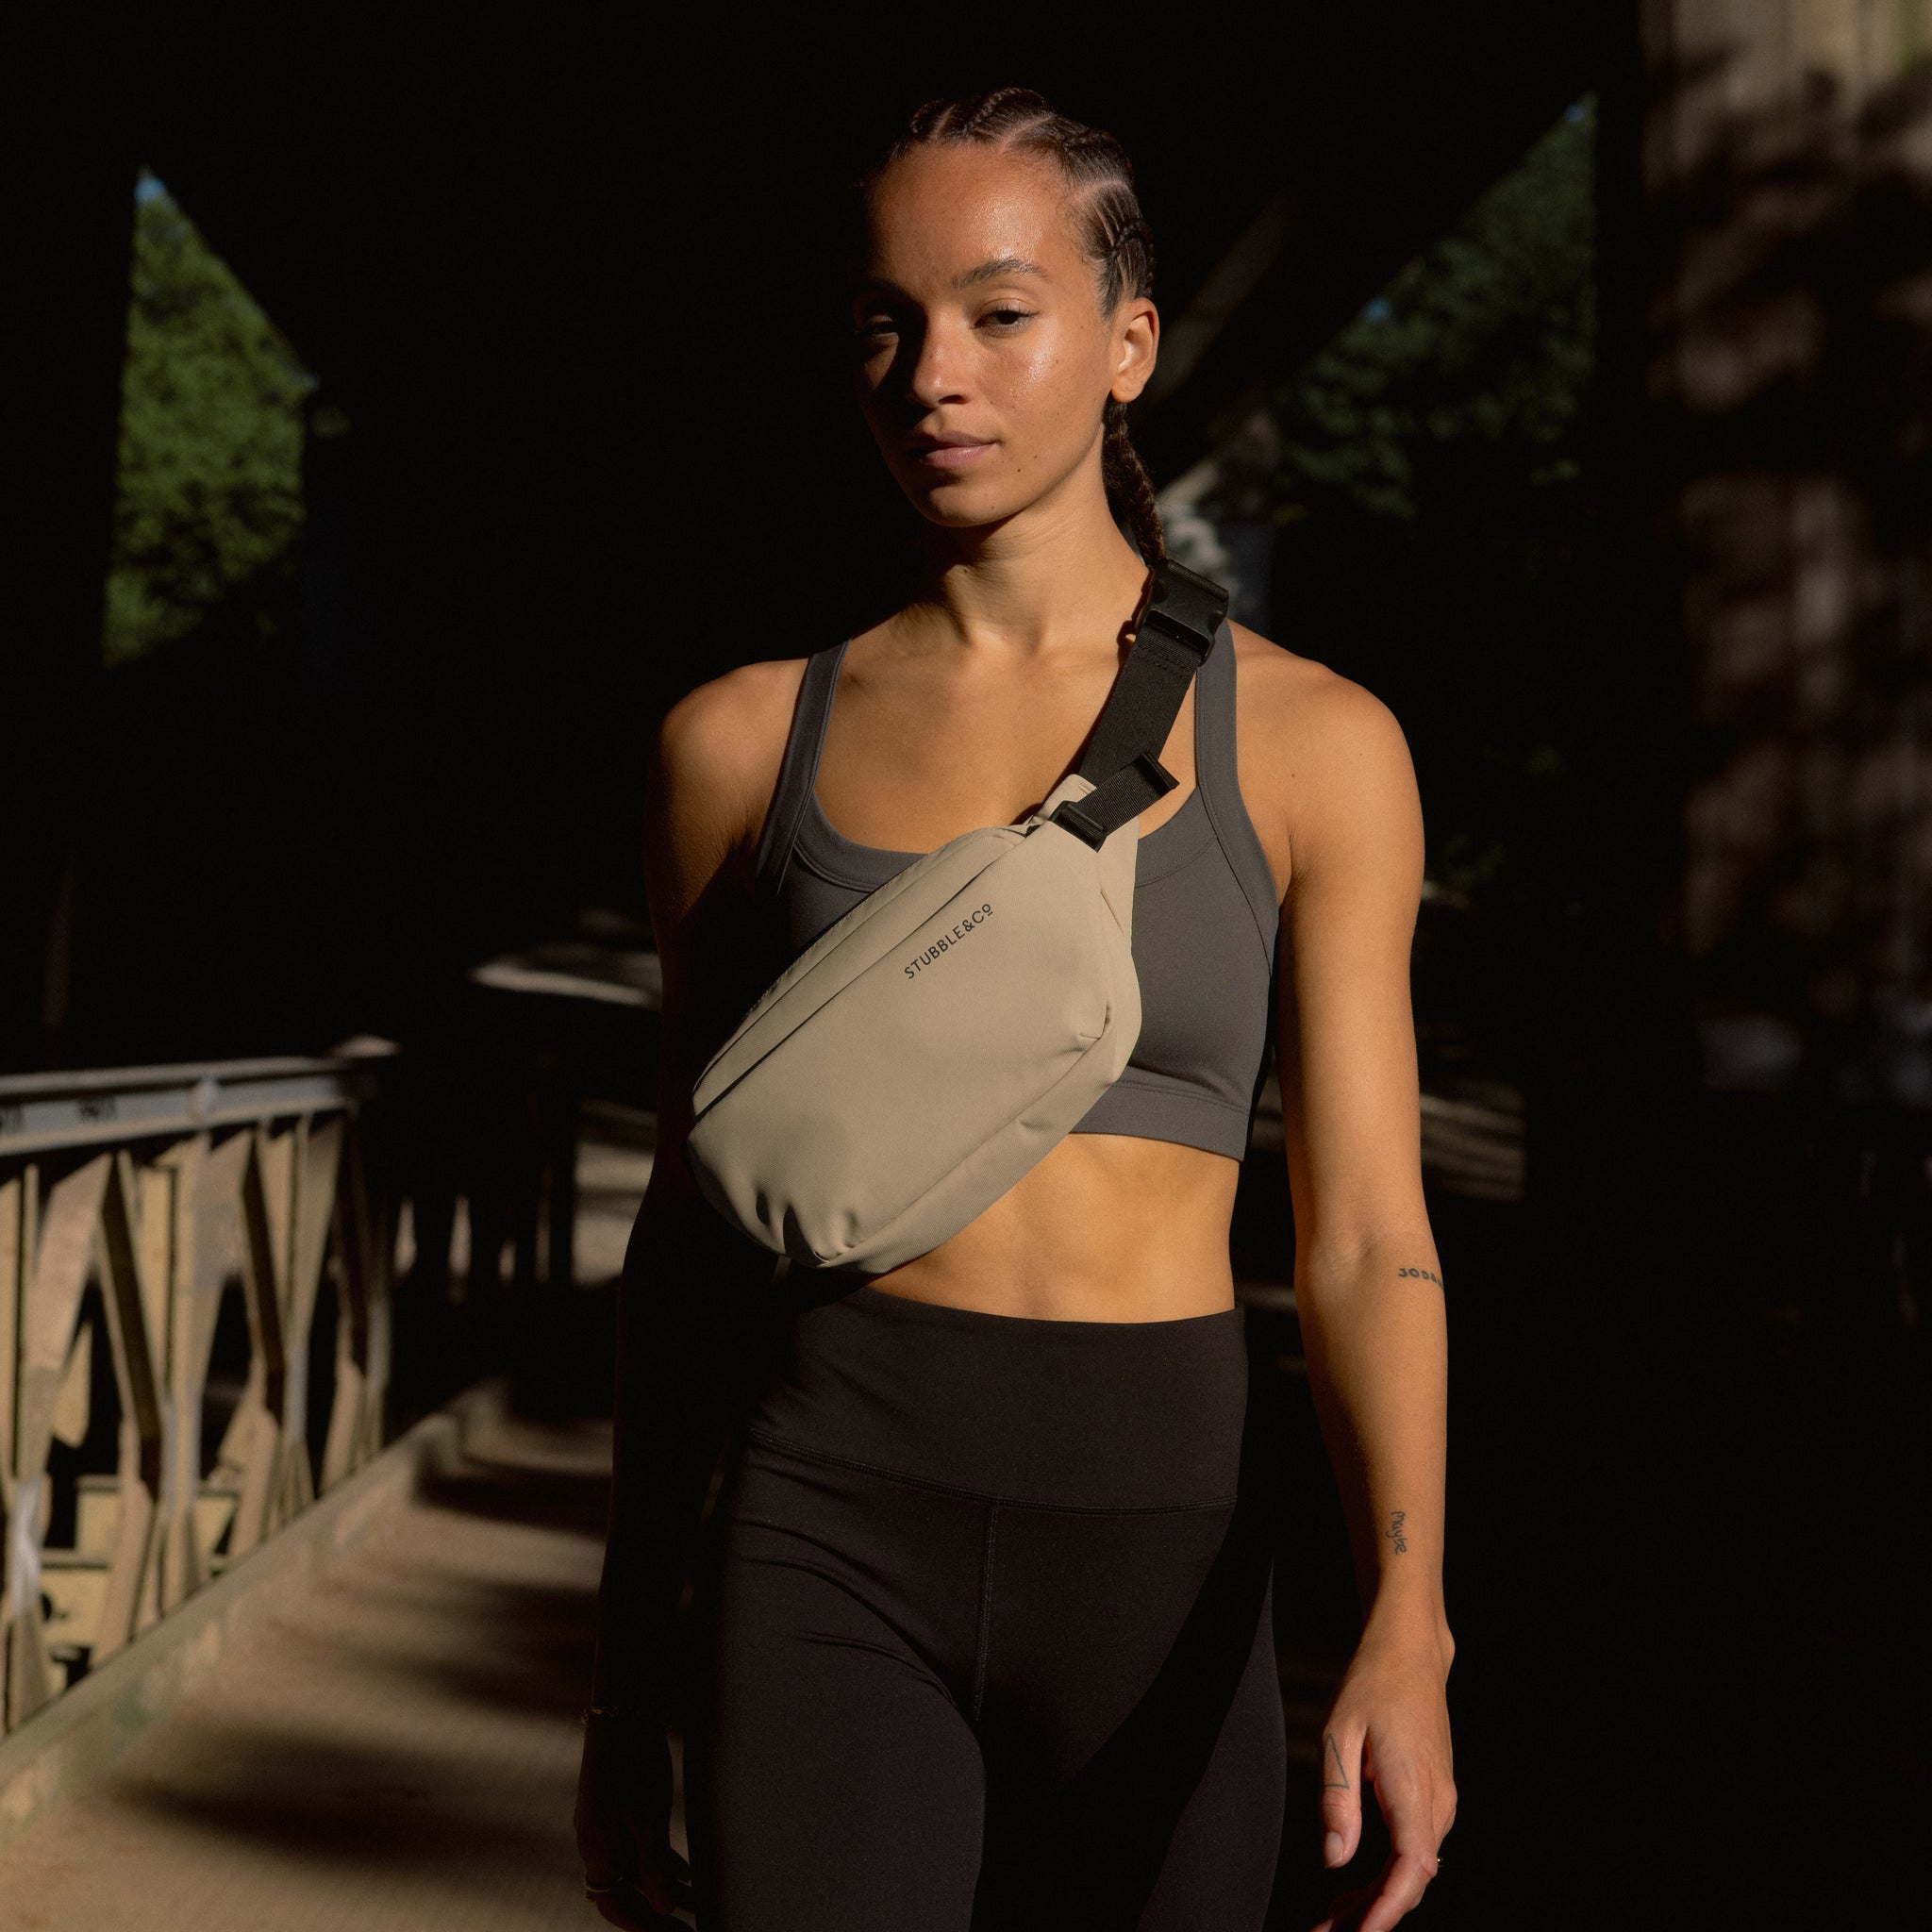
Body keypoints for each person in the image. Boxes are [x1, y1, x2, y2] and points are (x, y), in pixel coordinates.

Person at [575, 88, 1455, 1932]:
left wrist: (1407, 1611)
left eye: (996, 310)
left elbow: (1369, 1228)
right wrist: (623, 1660)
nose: (928, 375)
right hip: (821, 1520)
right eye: (883, 322)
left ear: (1128, 345)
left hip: (1164, 1547)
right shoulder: (735, 747)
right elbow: (685, 1235)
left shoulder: (1313, 744)